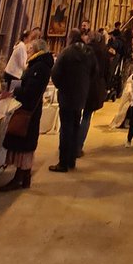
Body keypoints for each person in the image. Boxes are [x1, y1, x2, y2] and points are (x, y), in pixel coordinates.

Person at [0, 37, 54, 191]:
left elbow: (31, 91)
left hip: (28, 110)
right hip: (30, 109)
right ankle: (25, 177)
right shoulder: (39, 64)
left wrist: (15, 90)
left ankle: (19, 179)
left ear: (37, 50)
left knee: (23, 145)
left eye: (30, 49)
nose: (28, 51)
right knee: (25, 144)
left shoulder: (39, 67)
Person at [49, 29, 92, 173]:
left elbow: (55, 73)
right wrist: (85, 86)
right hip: (80, 96)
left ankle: (63, 162)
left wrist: (61, 86)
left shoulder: (66, 52)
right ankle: (72, 159)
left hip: (67, 95)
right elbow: (95, 72)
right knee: (75, 126)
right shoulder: (88, 52)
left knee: (65, 129)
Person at [78, 29, 108, 154]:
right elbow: (106, 72)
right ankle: (78, 146)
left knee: (75, 116)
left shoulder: (83, 50)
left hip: (81, 85)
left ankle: (69, 144)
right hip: (94, 88)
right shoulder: (103, 53)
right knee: (86, 117)